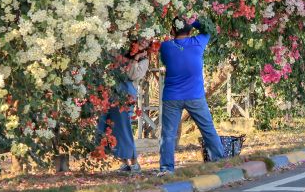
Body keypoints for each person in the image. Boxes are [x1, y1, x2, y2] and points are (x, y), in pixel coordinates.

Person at [158, 16, 224, 174]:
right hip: (195, 96)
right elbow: (208, 28)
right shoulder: (198, 42)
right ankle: (220, 162)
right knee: (207, 129)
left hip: (172, 97)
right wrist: (191, 20)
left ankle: (166, 168)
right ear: (190, 30)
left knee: (168, 134)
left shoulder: (166, 47)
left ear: (172, 30)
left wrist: (182, 24)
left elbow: (165, 61)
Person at [95, 42, 146, 174]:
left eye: (146, 42)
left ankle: (134, 163)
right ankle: (124, 162)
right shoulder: (119, 52)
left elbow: (132, 75)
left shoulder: (144, 60)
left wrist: (135, 59)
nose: (142, 43)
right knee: (110, 127)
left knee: (124, 128)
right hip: (111, 93)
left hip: (125, 95)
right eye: (140, 41)